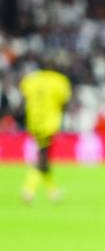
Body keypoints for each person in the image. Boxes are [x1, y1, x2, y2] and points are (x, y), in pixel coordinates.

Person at [19, 60, 72, 204]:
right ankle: (28, 189)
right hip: (49, 123)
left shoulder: (30, 79)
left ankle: (52, 192)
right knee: (43, 156)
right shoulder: (59, 80)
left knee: (44, 155)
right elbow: (65, 102)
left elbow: (23, 96)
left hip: (33, 121)